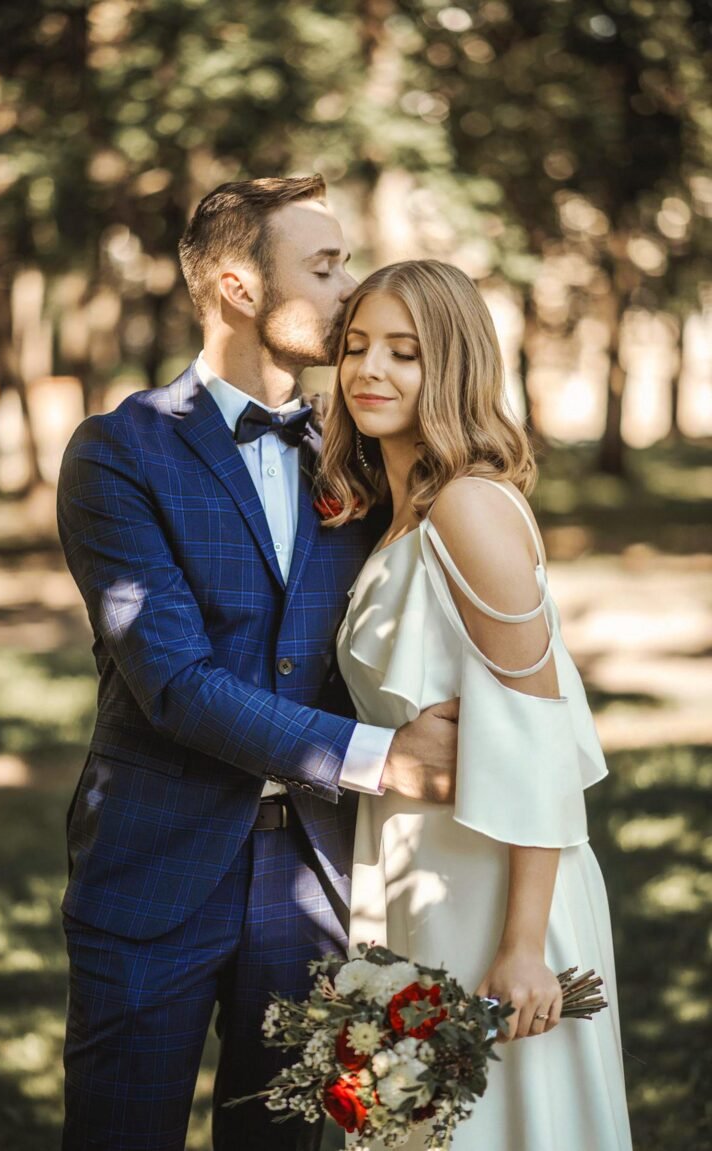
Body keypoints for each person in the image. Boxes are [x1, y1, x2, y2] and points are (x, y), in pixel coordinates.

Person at [56, 177, 461, 1151]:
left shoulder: (360, 452)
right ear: (239, 286)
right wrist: (385, 755)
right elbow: (176, 682)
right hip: (152, 872)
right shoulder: (120, 452)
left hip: (316, 884)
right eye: (325, 268)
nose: (349, 290)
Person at [319, 259, 633, 1150]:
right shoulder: (396, 514)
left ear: (451, 367)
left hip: (500, 886)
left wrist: (525, 944)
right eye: (356, 347)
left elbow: (538, 731)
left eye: (404, 353)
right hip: (420, 870)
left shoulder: (470, 506)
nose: (370, 370)